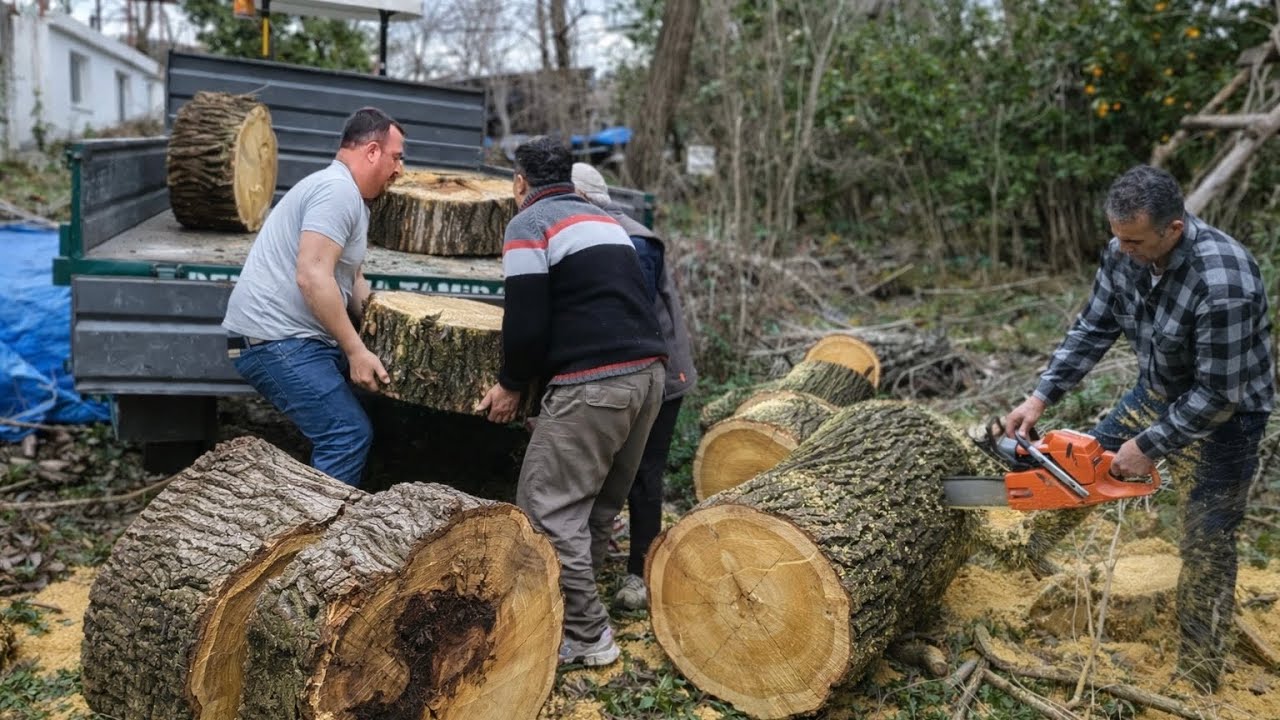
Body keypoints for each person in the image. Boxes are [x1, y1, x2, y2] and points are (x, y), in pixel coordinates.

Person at [1004, 164, 1274, 691]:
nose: (1121, 247)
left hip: (1227, 419)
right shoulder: (1121, 252)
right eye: (1117, 235)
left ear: (1173, 229)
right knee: (1071, 469)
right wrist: (1040, 397)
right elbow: (1094, 327)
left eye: (1134, 239)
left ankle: (1198, 674)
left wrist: (1149, 446)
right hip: (1156, 391)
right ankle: (1015, 568)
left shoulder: (1224, 281)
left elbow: (1219, 395)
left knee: (1207, 540)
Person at [476, 138, 666, 667]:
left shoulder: (529, 224)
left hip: (596, 384)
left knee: (547, 507)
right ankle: (565, 617)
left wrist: (512, 383)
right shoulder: (603, 220)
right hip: (647, 377)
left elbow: (527, 321)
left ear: (519, 183)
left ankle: (588, 636)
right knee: (597, 507)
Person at [222, 107, 404, 487]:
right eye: (396, 157)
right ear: (372, 151)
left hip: (293, 340)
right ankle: (322, 541)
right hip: (273, 342)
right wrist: (355, 351)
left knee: (369, 411)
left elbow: (350, 277)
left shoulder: (348, 196)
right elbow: (312, 277)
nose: (399, 169)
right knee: (346, 434)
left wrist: (383, 322)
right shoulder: (336, 191)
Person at [571, 162, 697, 610]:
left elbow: (628, 319)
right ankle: (585, 559)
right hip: (620, 375)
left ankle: (638, 574)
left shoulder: (636, 242)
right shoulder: (586, 234)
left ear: (584, 199)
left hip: (661, 376)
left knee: (645, 475)